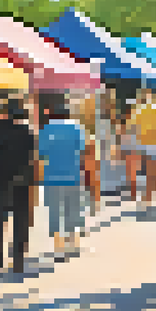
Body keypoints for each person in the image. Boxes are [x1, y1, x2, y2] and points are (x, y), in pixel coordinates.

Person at [0, 99, 35, 276]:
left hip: (2, 178)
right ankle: (18, 261)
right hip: (22, 180)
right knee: (21, 221)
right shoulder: (28, 131)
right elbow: (33, 158)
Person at [37, 95, 88, 261]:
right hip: (72, 175)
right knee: (72, 210)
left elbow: (41, 154)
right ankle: (72, 244)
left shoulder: (46, 130)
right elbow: (82, 150)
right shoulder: (76, 128)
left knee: (55, 211)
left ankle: (58, 248)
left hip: (51, 176)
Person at [126, 90, 156, 208]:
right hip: (155, 143)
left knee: (143, 169)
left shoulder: (138, 110)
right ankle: (149, 194)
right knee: (151, 170)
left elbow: (131, 127)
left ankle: (143, 194)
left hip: (142, 142)